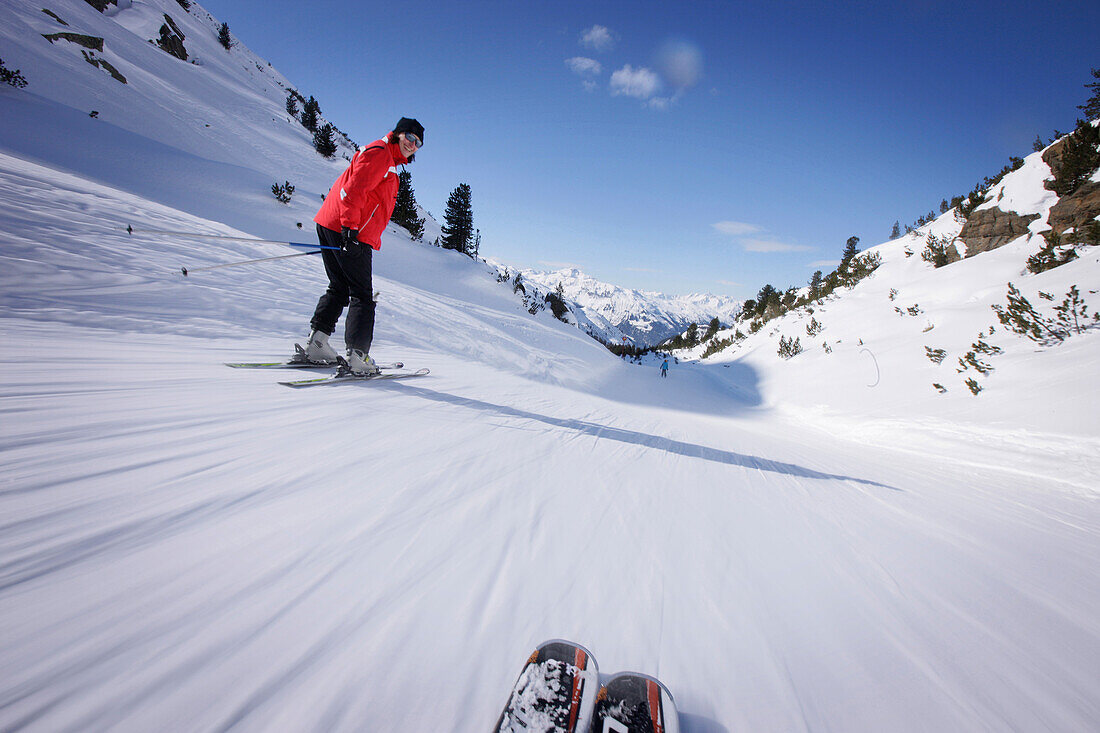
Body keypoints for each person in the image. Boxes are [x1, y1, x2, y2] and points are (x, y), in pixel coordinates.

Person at [299, 117, 425, 374]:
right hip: (350, 230)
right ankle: (358, 356)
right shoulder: (380, 154)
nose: (413, 145)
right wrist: (350, 229)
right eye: (410, 138)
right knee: (362, 296)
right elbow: (353, 189)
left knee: (339, 287)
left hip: (333, 223)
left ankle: (318, 343)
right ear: (398, 134)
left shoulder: (386, 158)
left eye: (418, 143)